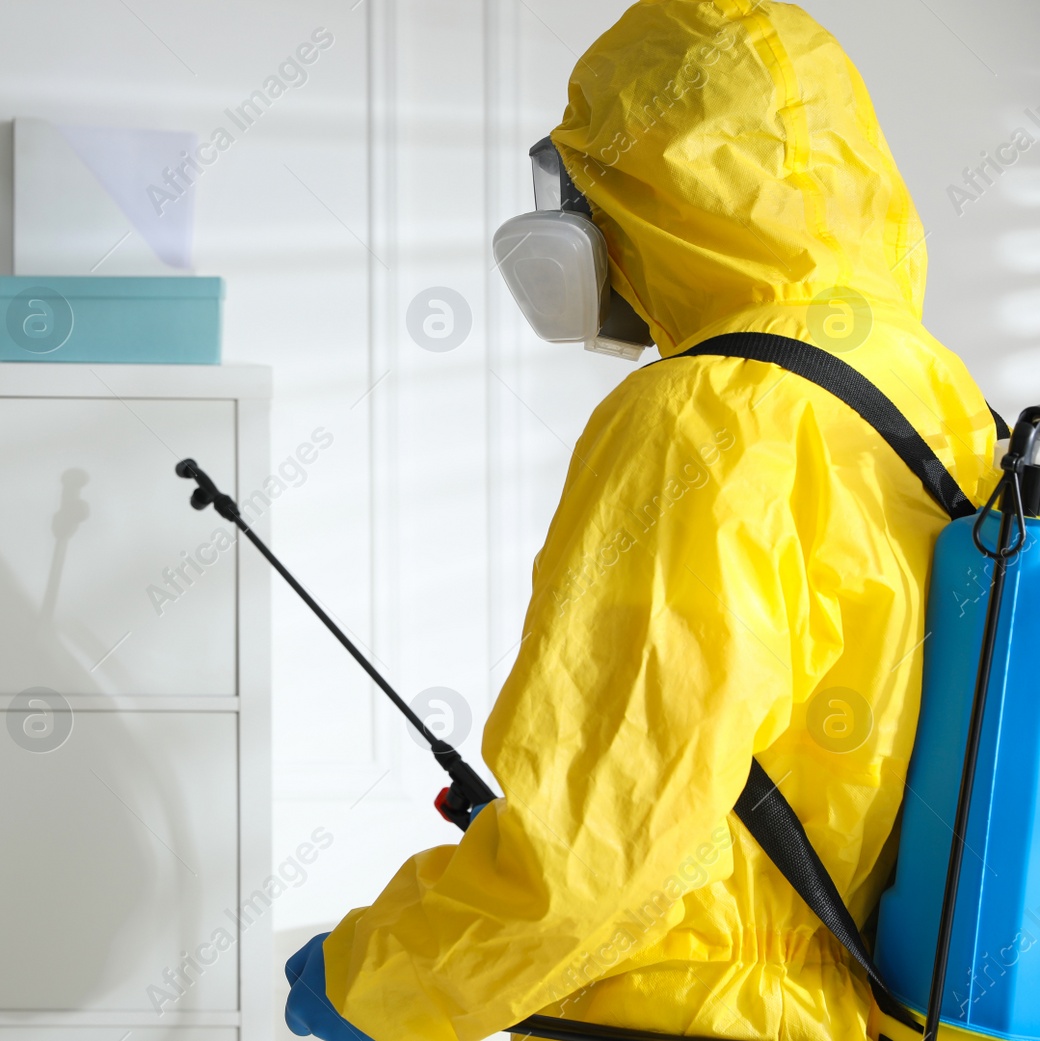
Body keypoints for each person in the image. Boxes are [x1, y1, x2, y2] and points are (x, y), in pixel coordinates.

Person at [284, 1, 1004, 1038]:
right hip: (872, 1009)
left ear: (653, 188)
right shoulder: (940, 400)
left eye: (591, 185)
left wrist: (377, 978)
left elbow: (602, 843)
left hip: (690, 1010)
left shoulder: (704, 416)